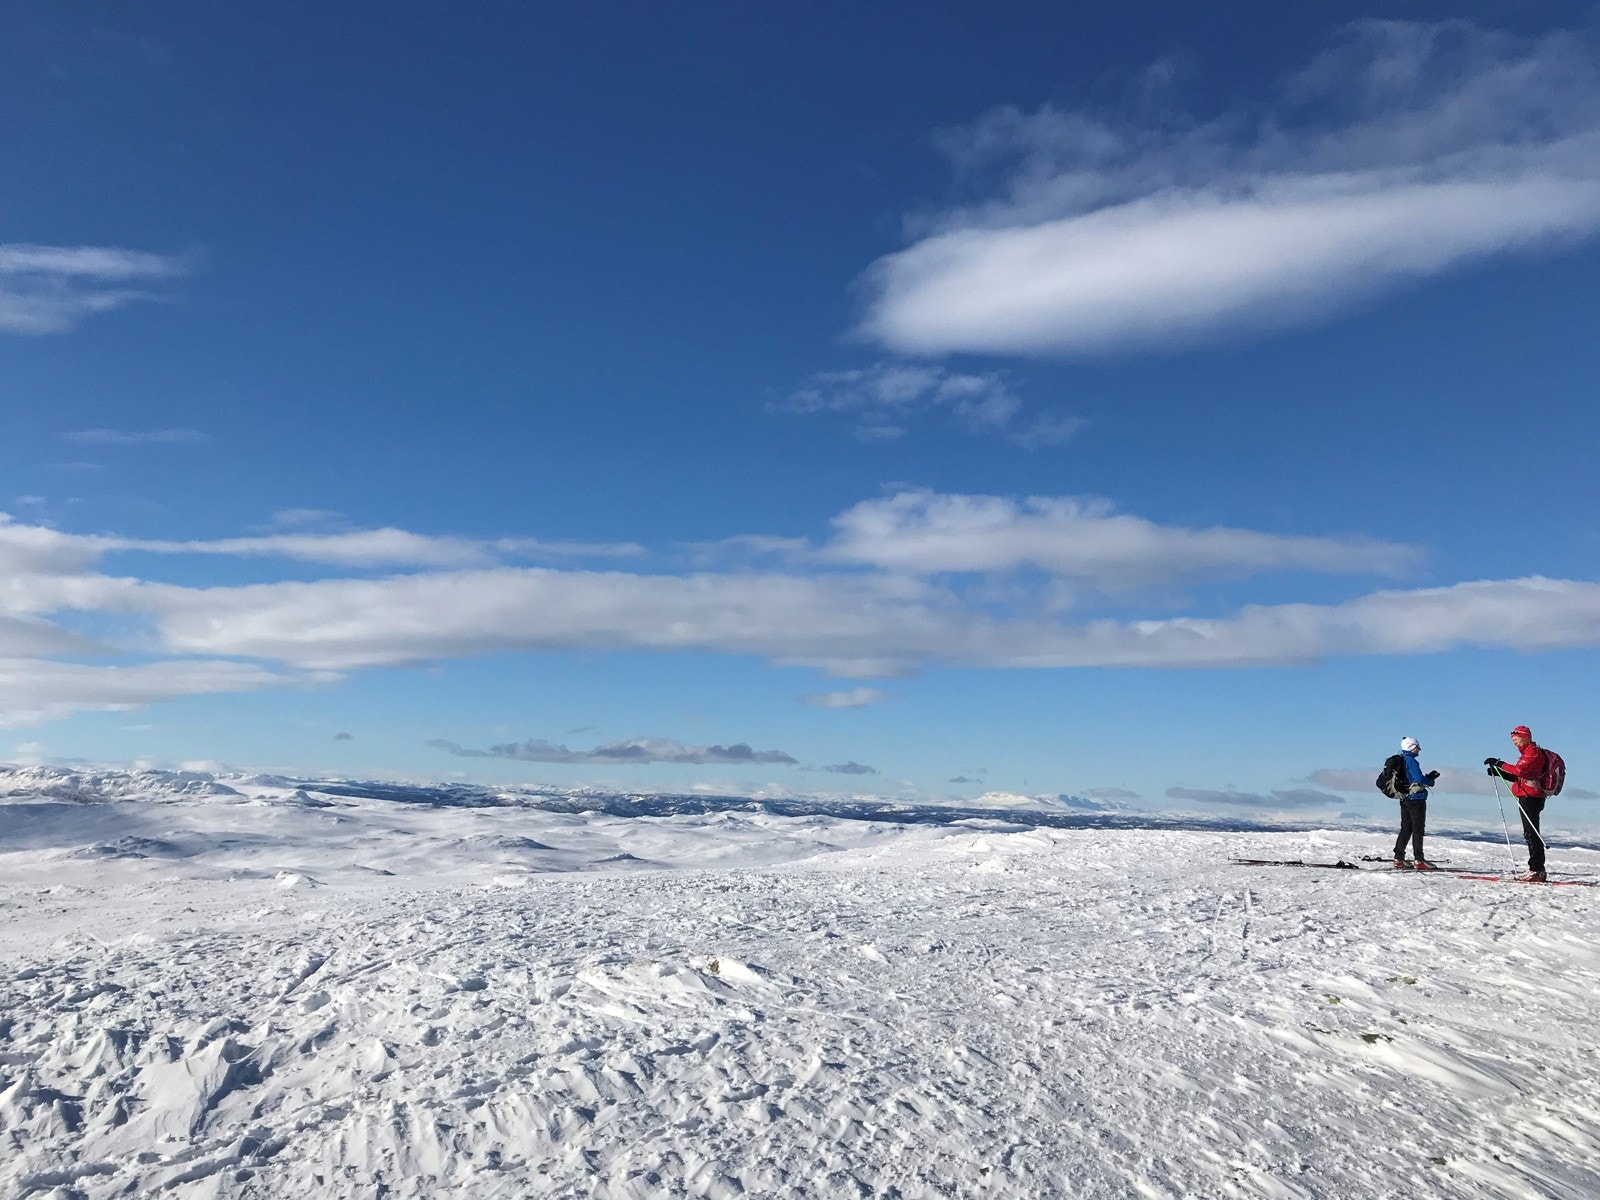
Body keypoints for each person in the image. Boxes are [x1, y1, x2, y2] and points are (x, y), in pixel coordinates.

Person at [1486, 725, 1549, 882]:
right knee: (1530, 832)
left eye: (1516, 736)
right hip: (1529, 794)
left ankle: (1537, 870)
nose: (1513, 740)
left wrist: (1499, 763)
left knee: (1531, 832)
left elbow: (1519, 771)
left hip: (1530, 796)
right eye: (1512, 737)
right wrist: (1500, 773)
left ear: (1526, 737)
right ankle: (1536, 869)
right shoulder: (1529, 753)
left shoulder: (1532, 752)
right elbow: (1522, 777)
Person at [1392, 736, 1440, 868]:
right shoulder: (1411, 761)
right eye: (1417, 746)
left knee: (1406, 828)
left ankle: (1398, 858)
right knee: (1418, 829)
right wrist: (1430, 780)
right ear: (1411, 747)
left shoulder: (1401, 760)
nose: (1419, 749)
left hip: (1404, 798)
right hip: (1416, 799)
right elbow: (1418, 778)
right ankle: (1419, 860)